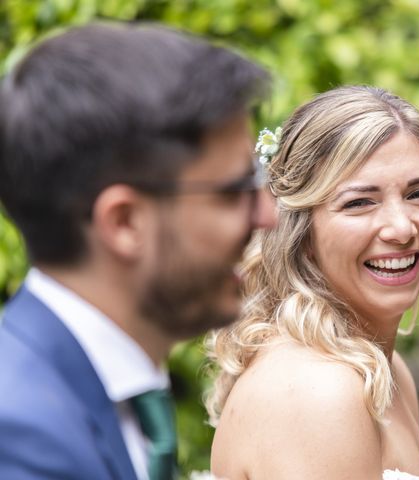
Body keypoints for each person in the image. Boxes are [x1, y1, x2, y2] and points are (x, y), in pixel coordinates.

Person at [0, 22, 276, 480]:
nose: (268, 216)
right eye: (234, 191)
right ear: (124, 222)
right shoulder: (21, 435)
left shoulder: (100, 394)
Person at [207, 86, 419, 479]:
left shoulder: (386, 373)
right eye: (359, 202)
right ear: (300, 231)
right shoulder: (318, 392)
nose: (402, 228)